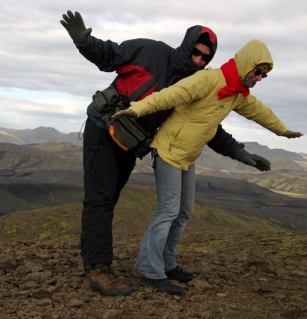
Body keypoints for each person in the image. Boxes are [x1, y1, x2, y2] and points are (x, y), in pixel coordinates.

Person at [60, 10, 272, 297]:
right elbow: (109, 55)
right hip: (103, 128)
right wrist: (84, 42)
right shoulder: (149, 51)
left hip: (130, 144)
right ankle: (98, 269)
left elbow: (207, 126)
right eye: (196, 53)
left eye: (205, 58)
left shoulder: (196, 86)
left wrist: (239, 152)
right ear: (187, 46)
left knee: (109, 200)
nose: (198, 61)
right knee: (100, 200)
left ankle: (115, 260)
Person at [112, 39, 303, 295]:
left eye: (263, 76)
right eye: (257, 71)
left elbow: (260, 112)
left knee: (184, 212)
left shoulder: (237, 94)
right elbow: (170, 95)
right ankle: (149, 270)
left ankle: (167, 264)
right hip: (168, 150)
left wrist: (282, 131)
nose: (258, 78)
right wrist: (137, 109)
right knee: (168, 211)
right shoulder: (207, 80)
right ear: (246, 64)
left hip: (188, 156)